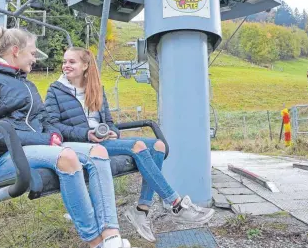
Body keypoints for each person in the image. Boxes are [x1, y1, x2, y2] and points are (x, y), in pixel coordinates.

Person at [0, 27, 131, 248]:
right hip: (7, 156)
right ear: (15, 51)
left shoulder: (26, 84)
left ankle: (111, 235)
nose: (34, 59)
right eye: (32, 53)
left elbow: (44, 119)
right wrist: (44, 140)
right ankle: (95, 242)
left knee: (98, 151)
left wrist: (54, 134)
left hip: (37, 151)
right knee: (67, 157)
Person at [44, 47, 215, 243]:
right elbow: (52, 126)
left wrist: (111, 132)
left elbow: (109, 122)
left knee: (158, 146)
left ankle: (141, 211)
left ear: (85, 65)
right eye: (65, 61)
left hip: (103, 140)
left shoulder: (96, 89)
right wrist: (87, 134)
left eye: (71, 62)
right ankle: (175, 204)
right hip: (79, 144)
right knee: (138, 146)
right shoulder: (55, 91)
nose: (66, 65)